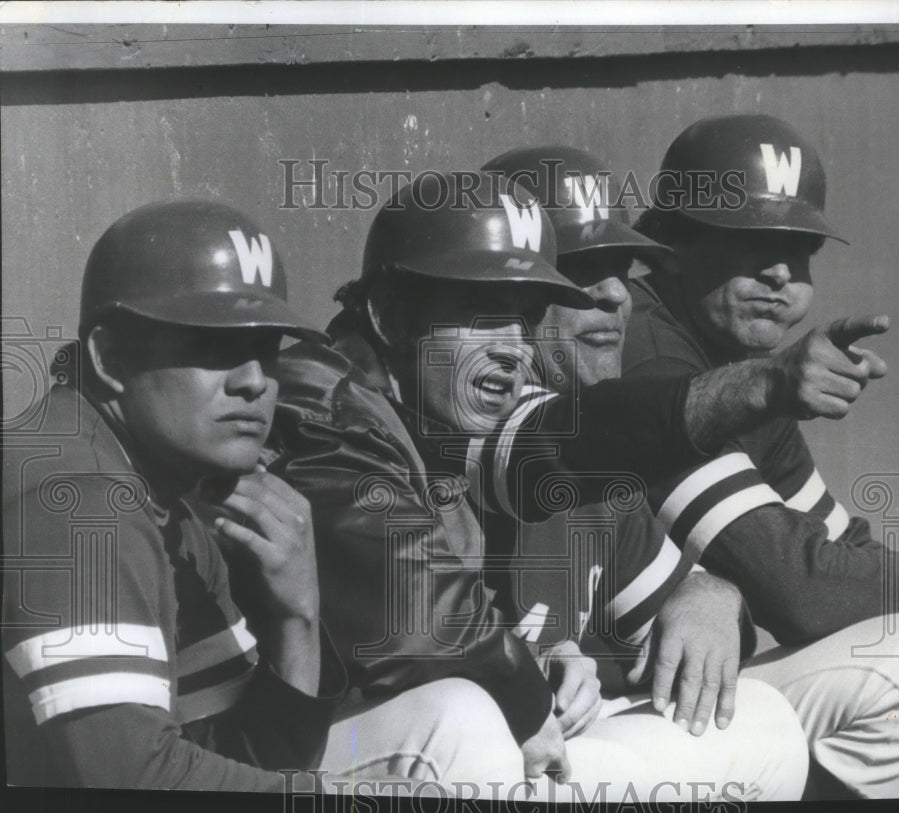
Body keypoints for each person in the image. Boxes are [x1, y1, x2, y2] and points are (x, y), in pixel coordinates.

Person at [270, 170, 810, 802]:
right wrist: (524, 685)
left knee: (763, 723)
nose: (512, 351)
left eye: (525, 321)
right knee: (468, 725)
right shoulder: (323, 411)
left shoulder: (431, 407)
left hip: (425, 738)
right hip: (283, 758)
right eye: (484, 317)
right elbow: (415, 621)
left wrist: (694, 593)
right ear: (391, 316)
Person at [622, 113, 899, 797]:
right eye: (751, 243)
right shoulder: (643, 349)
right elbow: (805, 590)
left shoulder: (738, 362)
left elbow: (843, 552)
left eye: (800, 252)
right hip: (587, 711)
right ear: (670, 242)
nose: (780, 273)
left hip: (688, 696)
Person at [1, 200, 345, 790]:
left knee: (445, 716)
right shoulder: (80, 501)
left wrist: (297, 617)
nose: (254, 381)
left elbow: (240, 754)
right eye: (214, 345)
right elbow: (124, 779)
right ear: (110, 358)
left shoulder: (167, 492)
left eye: (264, 348)